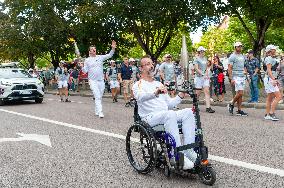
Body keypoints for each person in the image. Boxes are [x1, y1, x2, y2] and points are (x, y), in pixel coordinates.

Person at [132, 56, 197, 170]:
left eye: (151, 64)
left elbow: (170, 104)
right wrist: (155, 93)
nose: (151, 66)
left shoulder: (159, 83)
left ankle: (188, 150)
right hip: (149, 118)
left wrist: (181, 95)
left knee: (188, 112)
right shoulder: (138, 84)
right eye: (147, 64)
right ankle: (176, 155)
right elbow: (140, 97)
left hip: (165, 115)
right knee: (169, 114)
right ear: (141, 68)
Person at [81, 40, 116, 118]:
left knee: (99, 96)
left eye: (95, 49)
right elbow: (84, 71)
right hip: (92, 81)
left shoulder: (100, 57)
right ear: (89, 51)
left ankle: (97, 110)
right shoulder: (87, 60)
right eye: (92, 49)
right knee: (97, 96)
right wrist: (81, 67)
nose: (94, 50)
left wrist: (113, 49)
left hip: (101, 80)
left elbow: (109, 55)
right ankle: (100, 112)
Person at [227, 42, 248, 116]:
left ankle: (239, 110)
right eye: (238, 47)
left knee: (240, 95)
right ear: (235, 47)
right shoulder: (232, 56)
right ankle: (231, 103)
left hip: (242, 76)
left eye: (241, 46)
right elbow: (229, 68)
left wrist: (245, 71)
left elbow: (243, 66)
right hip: (236, 76)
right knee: (240, 93)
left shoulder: (242, 56)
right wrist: (231, 78)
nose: (240, 48)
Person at [193, 46, 215, 113]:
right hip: (199, 77)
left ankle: (208, 107)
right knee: (197, 93)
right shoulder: (196, 59)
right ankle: (194, 106)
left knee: (207, 91)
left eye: (204, 51)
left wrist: (207, 74)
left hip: (205, 77)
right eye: (202, 51)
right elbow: (196, 69)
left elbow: (206, 68)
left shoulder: (205, 58)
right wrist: (203, 74)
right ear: (200, 52)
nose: (204, 52)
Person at [263, 45, 281, 121]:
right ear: (270, 50)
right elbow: (269, 70)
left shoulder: (270, 58)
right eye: (274, 49)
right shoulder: (269, 58)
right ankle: (271, 113)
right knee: (279, 96)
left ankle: (267, 114)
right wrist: (274, 79)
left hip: (269, 79)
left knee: (270, 98)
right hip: (270, 79)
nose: (275, 50)